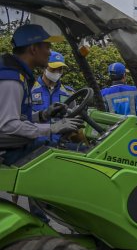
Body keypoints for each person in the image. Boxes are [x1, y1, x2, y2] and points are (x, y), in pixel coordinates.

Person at [0, 24, 83, 166]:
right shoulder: (12, 80)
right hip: (10, 153)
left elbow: (15, 117)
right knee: (81, 156)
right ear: (33, 49)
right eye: (47, 47)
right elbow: (8, 125)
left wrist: (42, 115)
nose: (50, 53)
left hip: (16, 146)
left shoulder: (19, 76)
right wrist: (51, 128)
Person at [29, 49, 77, 147]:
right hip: (35, 145)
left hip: (60, 145)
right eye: (53, 69)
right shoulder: (30, 89)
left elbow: (74, 117)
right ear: (44, 68)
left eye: (60, 69)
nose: (57, 72)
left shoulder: (68, 93)